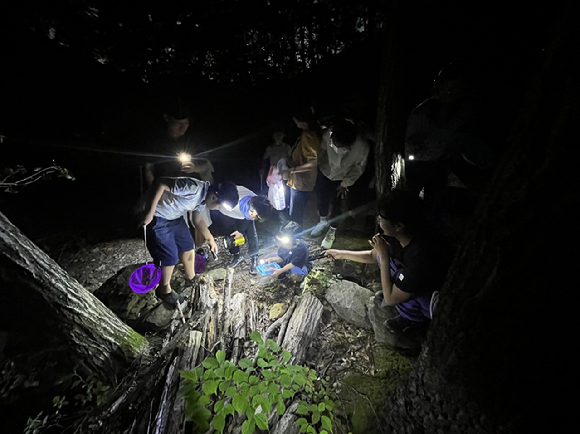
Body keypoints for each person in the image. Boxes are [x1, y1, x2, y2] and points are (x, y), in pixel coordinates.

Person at [325, 191, 452, 335]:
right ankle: (401, 296)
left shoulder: (420, 255)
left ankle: (413, 321)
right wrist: (340, 254)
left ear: (398, 225)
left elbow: (390, 299)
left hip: (431, 296)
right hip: (410, 280)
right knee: (385, 263)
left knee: (392, 289)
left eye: (382, 218)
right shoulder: (397, 235)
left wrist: (385, 257)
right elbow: (374, 256)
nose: (378, 219)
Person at [139, 177, 239, 307]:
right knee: (170, 256)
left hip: (175, 217)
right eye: (219, 206)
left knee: (187, 245)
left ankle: (190, 277)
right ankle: (164, 289)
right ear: (214, 197)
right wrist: (149, 213)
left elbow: (197, 220)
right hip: (159, 216)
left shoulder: (203, 200)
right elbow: (161, 183)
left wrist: (210, 238)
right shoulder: (193, 188)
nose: (218, 209)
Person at [311, 119, 370, 249]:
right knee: (321, 197)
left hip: (343, 177)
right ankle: (322, 221)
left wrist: (345, 183)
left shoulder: (361, 146)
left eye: (339, 143)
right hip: (325, 172)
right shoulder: (329, 134)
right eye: (334, 141)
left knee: (337, 203)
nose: (335, 144)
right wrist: (318, 165)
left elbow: (359, 167)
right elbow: (321, 150)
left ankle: (332, 230)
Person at [216, 185, 274, 274]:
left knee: (251, 233)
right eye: (257, 217)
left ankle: (254, 258)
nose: (256, 219)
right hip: (226, 212)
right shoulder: (232, 199)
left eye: (259, 218)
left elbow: (249, 220)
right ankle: (236, 255)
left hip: (241, 212)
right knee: (231, 233)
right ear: (252, 210)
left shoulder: (257, 204)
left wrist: (241, 231)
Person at [284, 112, 322, 228]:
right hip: (298, 180)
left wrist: (293, 170)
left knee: (296, 213)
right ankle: (293, 236)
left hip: (302, 181)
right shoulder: (308, 134)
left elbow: (314, 162)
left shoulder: (309, 136)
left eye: (297, 121)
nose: (296, 124)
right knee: (294, 211)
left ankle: (293, 239)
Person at [260, 131, 292, 212]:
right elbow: (264, 159)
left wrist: (292, 169)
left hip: (284, 170)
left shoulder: (287, 147)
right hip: (274, 171)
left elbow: (291, 159)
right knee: (274, 191)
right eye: (276, 135)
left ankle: (286, 207)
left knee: (285, 189)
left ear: (283, 136)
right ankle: (274, 208)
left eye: (280, 135)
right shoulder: (270, 148)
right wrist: (262, 168)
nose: (278, 137)